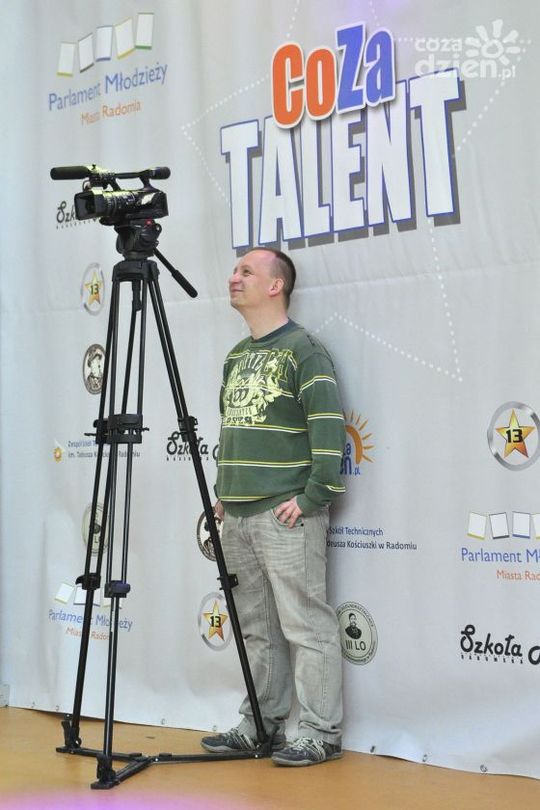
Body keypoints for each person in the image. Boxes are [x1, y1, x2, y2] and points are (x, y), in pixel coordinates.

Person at [201, 247, 346, 767]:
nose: (234, 277)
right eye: (234, 269)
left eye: (246, 271)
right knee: (255, 627)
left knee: (306, 625)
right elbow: (233, 430)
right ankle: (261, 726)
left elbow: (328, 430)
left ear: (275, 286)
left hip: (285, 516)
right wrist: (226, 492)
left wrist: (312, 497)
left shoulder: (305, 350)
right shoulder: (236, 355)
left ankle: (321, 733)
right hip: (238, 515)